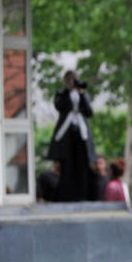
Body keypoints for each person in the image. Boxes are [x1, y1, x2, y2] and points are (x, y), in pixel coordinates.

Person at [45, 70, 97, 202]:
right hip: (66, 134)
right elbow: (59, 105)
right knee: (67, 165)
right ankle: (66, 195)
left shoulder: (83, 94)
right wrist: (68, 91)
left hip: (81, 132)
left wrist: (82, 94)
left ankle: (83, 195)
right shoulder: (61, 94)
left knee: (82, 164)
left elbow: (89, 112)